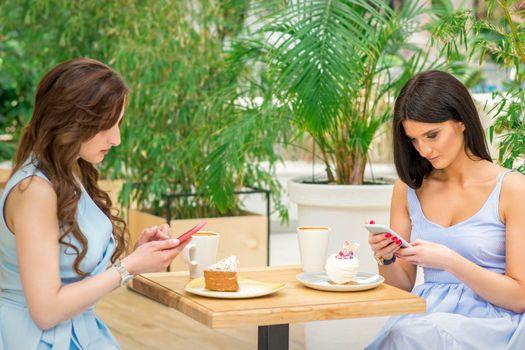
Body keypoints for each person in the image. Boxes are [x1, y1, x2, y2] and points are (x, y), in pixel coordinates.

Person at [0, 58, 187, 349]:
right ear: (71, 121)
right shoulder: (35, 191)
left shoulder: (68, 172)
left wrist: (137, 258)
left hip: (73, 333)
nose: (117, 139)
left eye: (118, 123)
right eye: (106, 126)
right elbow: (47, 311)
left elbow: (72, 281)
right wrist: (128, 267)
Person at [366, 70, 525, 349]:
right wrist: (387, 259)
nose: (424, 150)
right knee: (407, 334)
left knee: (411, 336)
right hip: (425, 317)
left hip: (492, 322)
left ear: (462, 121)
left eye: (432, 135)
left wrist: (449, 260)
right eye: (413, 140)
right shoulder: (408, 188)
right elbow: (401, 286)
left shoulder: (512, 189)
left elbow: (520, 296)